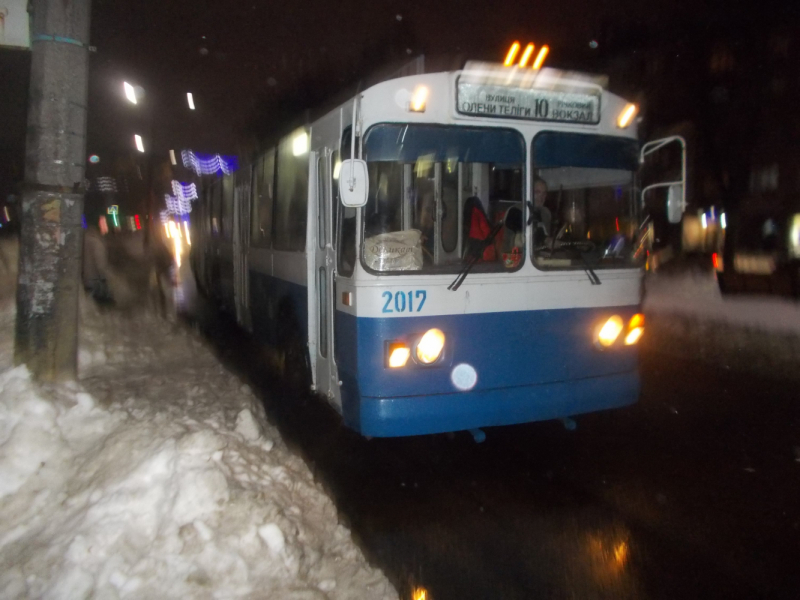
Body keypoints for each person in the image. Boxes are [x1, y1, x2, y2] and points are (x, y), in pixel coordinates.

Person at [532, 177, 552, 245]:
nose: (541, 197)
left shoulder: (546, 213)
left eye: (544, 194)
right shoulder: (518, 211)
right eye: (537, 192)